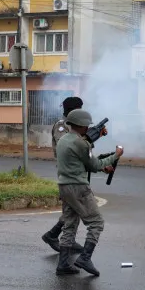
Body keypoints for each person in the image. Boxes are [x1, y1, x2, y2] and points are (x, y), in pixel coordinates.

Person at [54, 109, 122, 277]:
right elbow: (94, 164)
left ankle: (63, 264)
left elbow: (79, 162)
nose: (87, 128)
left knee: (70, 224)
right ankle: (85, 258)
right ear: (81, 125)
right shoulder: (81, 143)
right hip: (79, 187)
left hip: (64, 186)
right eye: (86, 125)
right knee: (96, 223)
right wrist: (116, 155)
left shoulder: (63, 140)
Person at [42, 96, 91, 254]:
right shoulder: (62, 126)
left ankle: (62, 238)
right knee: (75, 207)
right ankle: (54, 235)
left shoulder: (75, 126)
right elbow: (68, 146)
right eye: (79, 108)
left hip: (77, 170)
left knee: (72, 208)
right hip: (68, 172)